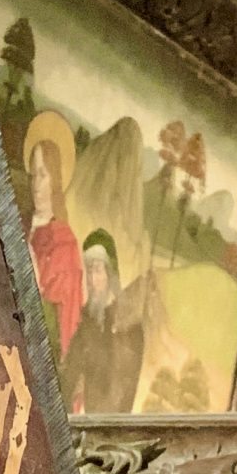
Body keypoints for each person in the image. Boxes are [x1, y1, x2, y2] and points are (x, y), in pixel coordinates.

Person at [61, 229, 144, 413]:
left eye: (98, 271)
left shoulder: (128, 325)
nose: (92, 280)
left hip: (115, 429)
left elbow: (121, 393)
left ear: (110, 273)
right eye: (89, 272)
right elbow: (67, 379)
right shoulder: (88, 322)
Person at [22, 111, 83, 356]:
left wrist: (32, 273)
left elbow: (58, 326)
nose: (36, 184)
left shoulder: (64, 246)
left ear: (56, 179)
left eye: (44, 175)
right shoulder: (22, 225)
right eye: (34, 174)